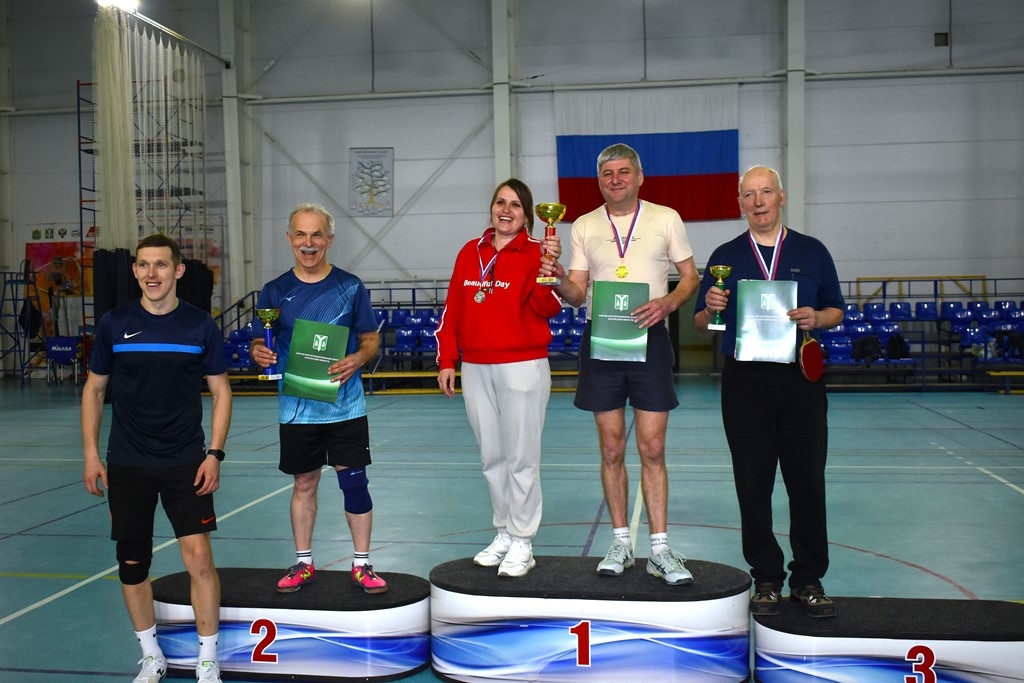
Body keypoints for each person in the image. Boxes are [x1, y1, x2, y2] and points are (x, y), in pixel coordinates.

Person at [539, 143, 700, 585]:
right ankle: (621, 543)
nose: (616, 180)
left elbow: (690, 277)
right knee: (611, 448)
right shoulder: (584, 225)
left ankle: (660, 549)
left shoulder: (666, 218)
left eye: (624, 171)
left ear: (639, 177)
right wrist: (558, 279)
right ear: (599, 180)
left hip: (651, 339)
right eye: (608, 173)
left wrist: (667, 303)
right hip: (603, 340)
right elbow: (577, 294)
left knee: (652, 448)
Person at [693, 165, 844, 618]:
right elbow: (701, 323)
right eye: (749, 195)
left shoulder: (812, 251)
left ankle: (809, 578)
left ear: (781, 197)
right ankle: (766, 578)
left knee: (807, 482)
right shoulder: (725, 255)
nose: (758, 202)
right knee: (752, 484)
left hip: (800, 380)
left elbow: (837, 309)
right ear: (740, 203)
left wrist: (817, 318)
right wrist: (710, 309)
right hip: (745, 382)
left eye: (765, 192)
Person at [82, 233, 232, 683]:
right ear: (134, 271)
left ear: (178, 270)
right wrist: (91, 454)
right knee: (132, 563)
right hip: (128, 462)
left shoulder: (200, 326)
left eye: (161, 265)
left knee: (199, 561)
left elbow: (221, 392)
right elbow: (94, 390)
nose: (152, 274)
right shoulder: (114, 324)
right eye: (144, 265)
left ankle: (208, 660)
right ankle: (151, 656)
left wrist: (214, 453)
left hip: (185, 462)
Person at [250, 203, 388, 595]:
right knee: (304, 482)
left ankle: (361, 565)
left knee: (355, 483)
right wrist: (258, 351)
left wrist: (358, 358)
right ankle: (304, 563)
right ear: (289, 238)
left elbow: (371, 339)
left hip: (346, 405)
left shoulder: (350, 286)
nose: (308, 243)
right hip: (297, 408)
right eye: (300, 234)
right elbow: (261, 339)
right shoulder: (275, 291)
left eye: (316, 235)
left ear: (329, 239)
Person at [435, 178, 564, 578]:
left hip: (522, 365)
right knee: (492, 457)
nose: (506, 210)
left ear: (527, 215)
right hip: (475, 366)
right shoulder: (469, 252)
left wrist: (548, 273)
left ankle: (523, 539)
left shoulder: (537, 251)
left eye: (515, 205)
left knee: (521, 458)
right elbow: (454, 308)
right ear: (491, 208)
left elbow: (548, 308)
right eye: (500, 202)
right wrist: (447, 358)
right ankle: (505, 532)